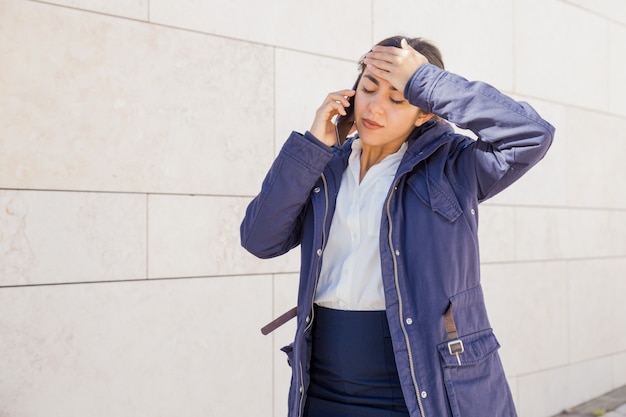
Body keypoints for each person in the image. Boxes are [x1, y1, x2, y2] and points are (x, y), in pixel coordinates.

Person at [241, 36, 554, 417]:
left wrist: (426, 81)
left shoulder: (453, 168)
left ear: (425, 112)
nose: (374, 107)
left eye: (399, 97)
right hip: (321, 385)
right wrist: (312, 148)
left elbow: (531, 134)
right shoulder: (326, 166)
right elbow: (260, 238)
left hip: (417, 386)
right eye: (369, 88)